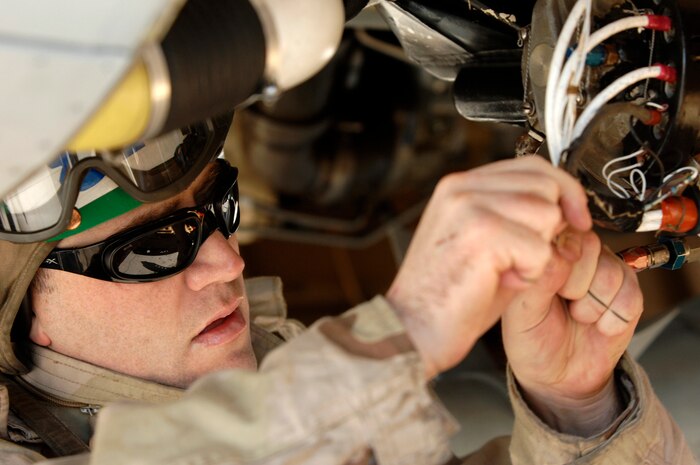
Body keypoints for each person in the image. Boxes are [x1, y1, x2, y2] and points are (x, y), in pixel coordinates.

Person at [0, 130, 694, 463]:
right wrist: (408, 328)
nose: (225, 259)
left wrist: (577, 412)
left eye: (221, 208)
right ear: (30, 305)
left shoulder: (295, 370)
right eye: (155, 246)